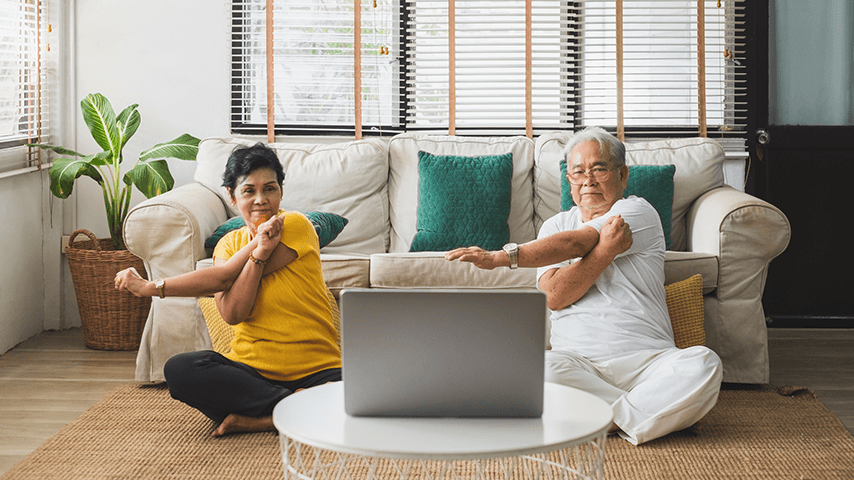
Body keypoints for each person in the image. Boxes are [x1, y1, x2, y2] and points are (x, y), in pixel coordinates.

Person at [445, 127, 722, 445]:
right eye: (578, 171)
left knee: (703, 364)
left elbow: (579, 242)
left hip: (649, 361)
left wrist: (501, 258)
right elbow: (554, 296)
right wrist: (606, 251)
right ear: (569, 181)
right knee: (535, 370)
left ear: (622, 175)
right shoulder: (556, 227)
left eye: (599, 169)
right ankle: (651, 413)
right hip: (577, 364)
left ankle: (599, 418)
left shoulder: (638, 211)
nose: (588, 180)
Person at [115, 143, 341, 437]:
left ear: (281, 193)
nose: (261, 200)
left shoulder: (297, 224)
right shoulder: (227, 245)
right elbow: (234, 313)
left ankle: (266, 418)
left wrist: (151, 287)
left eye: (270, 189)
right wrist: (259, 254)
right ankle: (295, 409)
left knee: (373, 391)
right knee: (181, 370)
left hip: (318, 370)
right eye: (249, 191)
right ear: (231, 196)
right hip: (252, 374)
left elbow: (223, 278)